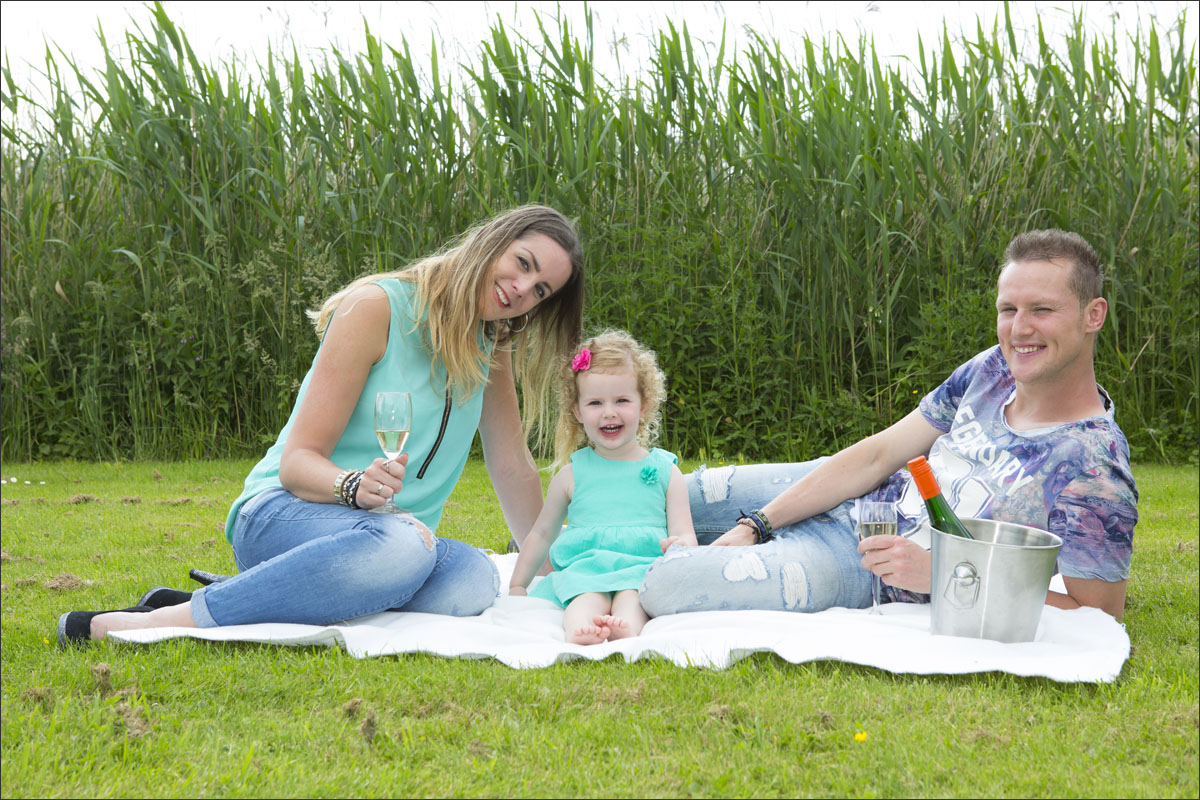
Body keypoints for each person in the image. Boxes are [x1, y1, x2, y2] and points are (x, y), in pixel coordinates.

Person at [58, 205, 585, 644]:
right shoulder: (378, 306)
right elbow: (297, 464)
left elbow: (512, 466)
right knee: (404, 548)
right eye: (522, 263)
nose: (521, 288)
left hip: (396, 539)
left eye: (541, 290)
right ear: (492, 242)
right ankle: (155, 622)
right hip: (288, 513)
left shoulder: (491, 345)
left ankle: (252, 594)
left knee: (471, 582)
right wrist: (353, 486)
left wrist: (556, 573)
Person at [639, 229, 1138, 621]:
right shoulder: (992, 370)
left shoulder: (1093, 464)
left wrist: (942, 576)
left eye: (1042, 310)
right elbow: (880, 455)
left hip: (862, 566)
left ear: (1093, 315)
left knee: (669, 586)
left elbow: (1096, 615)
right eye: (1008, 309)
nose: (1019, 329)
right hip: (847, 494)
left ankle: (603, 591)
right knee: (666, 492)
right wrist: (758, 524)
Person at [508, 331, 697, 644]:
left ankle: (624, 625)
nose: (609, 412)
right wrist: (517, 583)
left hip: (642, 567)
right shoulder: (572, 475)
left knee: (634, 597)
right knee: (583, 598)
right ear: (578, 412)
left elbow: (685, 532)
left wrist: (681, 546)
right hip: (588, 569)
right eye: (595, 403)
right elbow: (541, 534)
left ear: (644, 406)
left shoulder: (666, 471)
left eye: (622, 400)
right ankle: (580, 628)